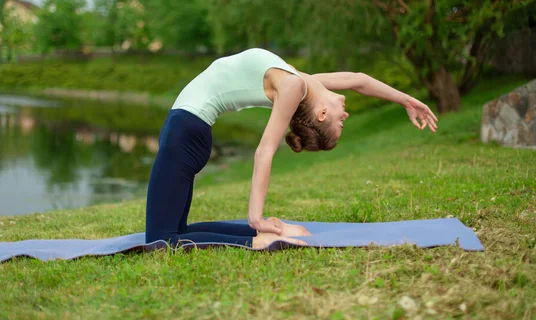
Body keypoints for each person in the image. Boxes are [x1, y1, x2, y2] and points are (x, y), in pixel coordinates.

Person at [145, 48, 438, 249]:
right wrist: (407, 101)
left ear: (322, 115)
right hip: (188, 130)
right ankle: (271, 231)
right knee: (176, 232)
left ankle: (259, 238)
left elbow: (265, 150)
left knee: (160, 240)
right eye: (342, 122)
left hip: (185, 130)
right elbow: (359, 80)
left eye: (340, 123)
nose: (345, 116)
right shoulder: (302, 83)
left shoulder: (293, 87)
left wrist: (255, 216)